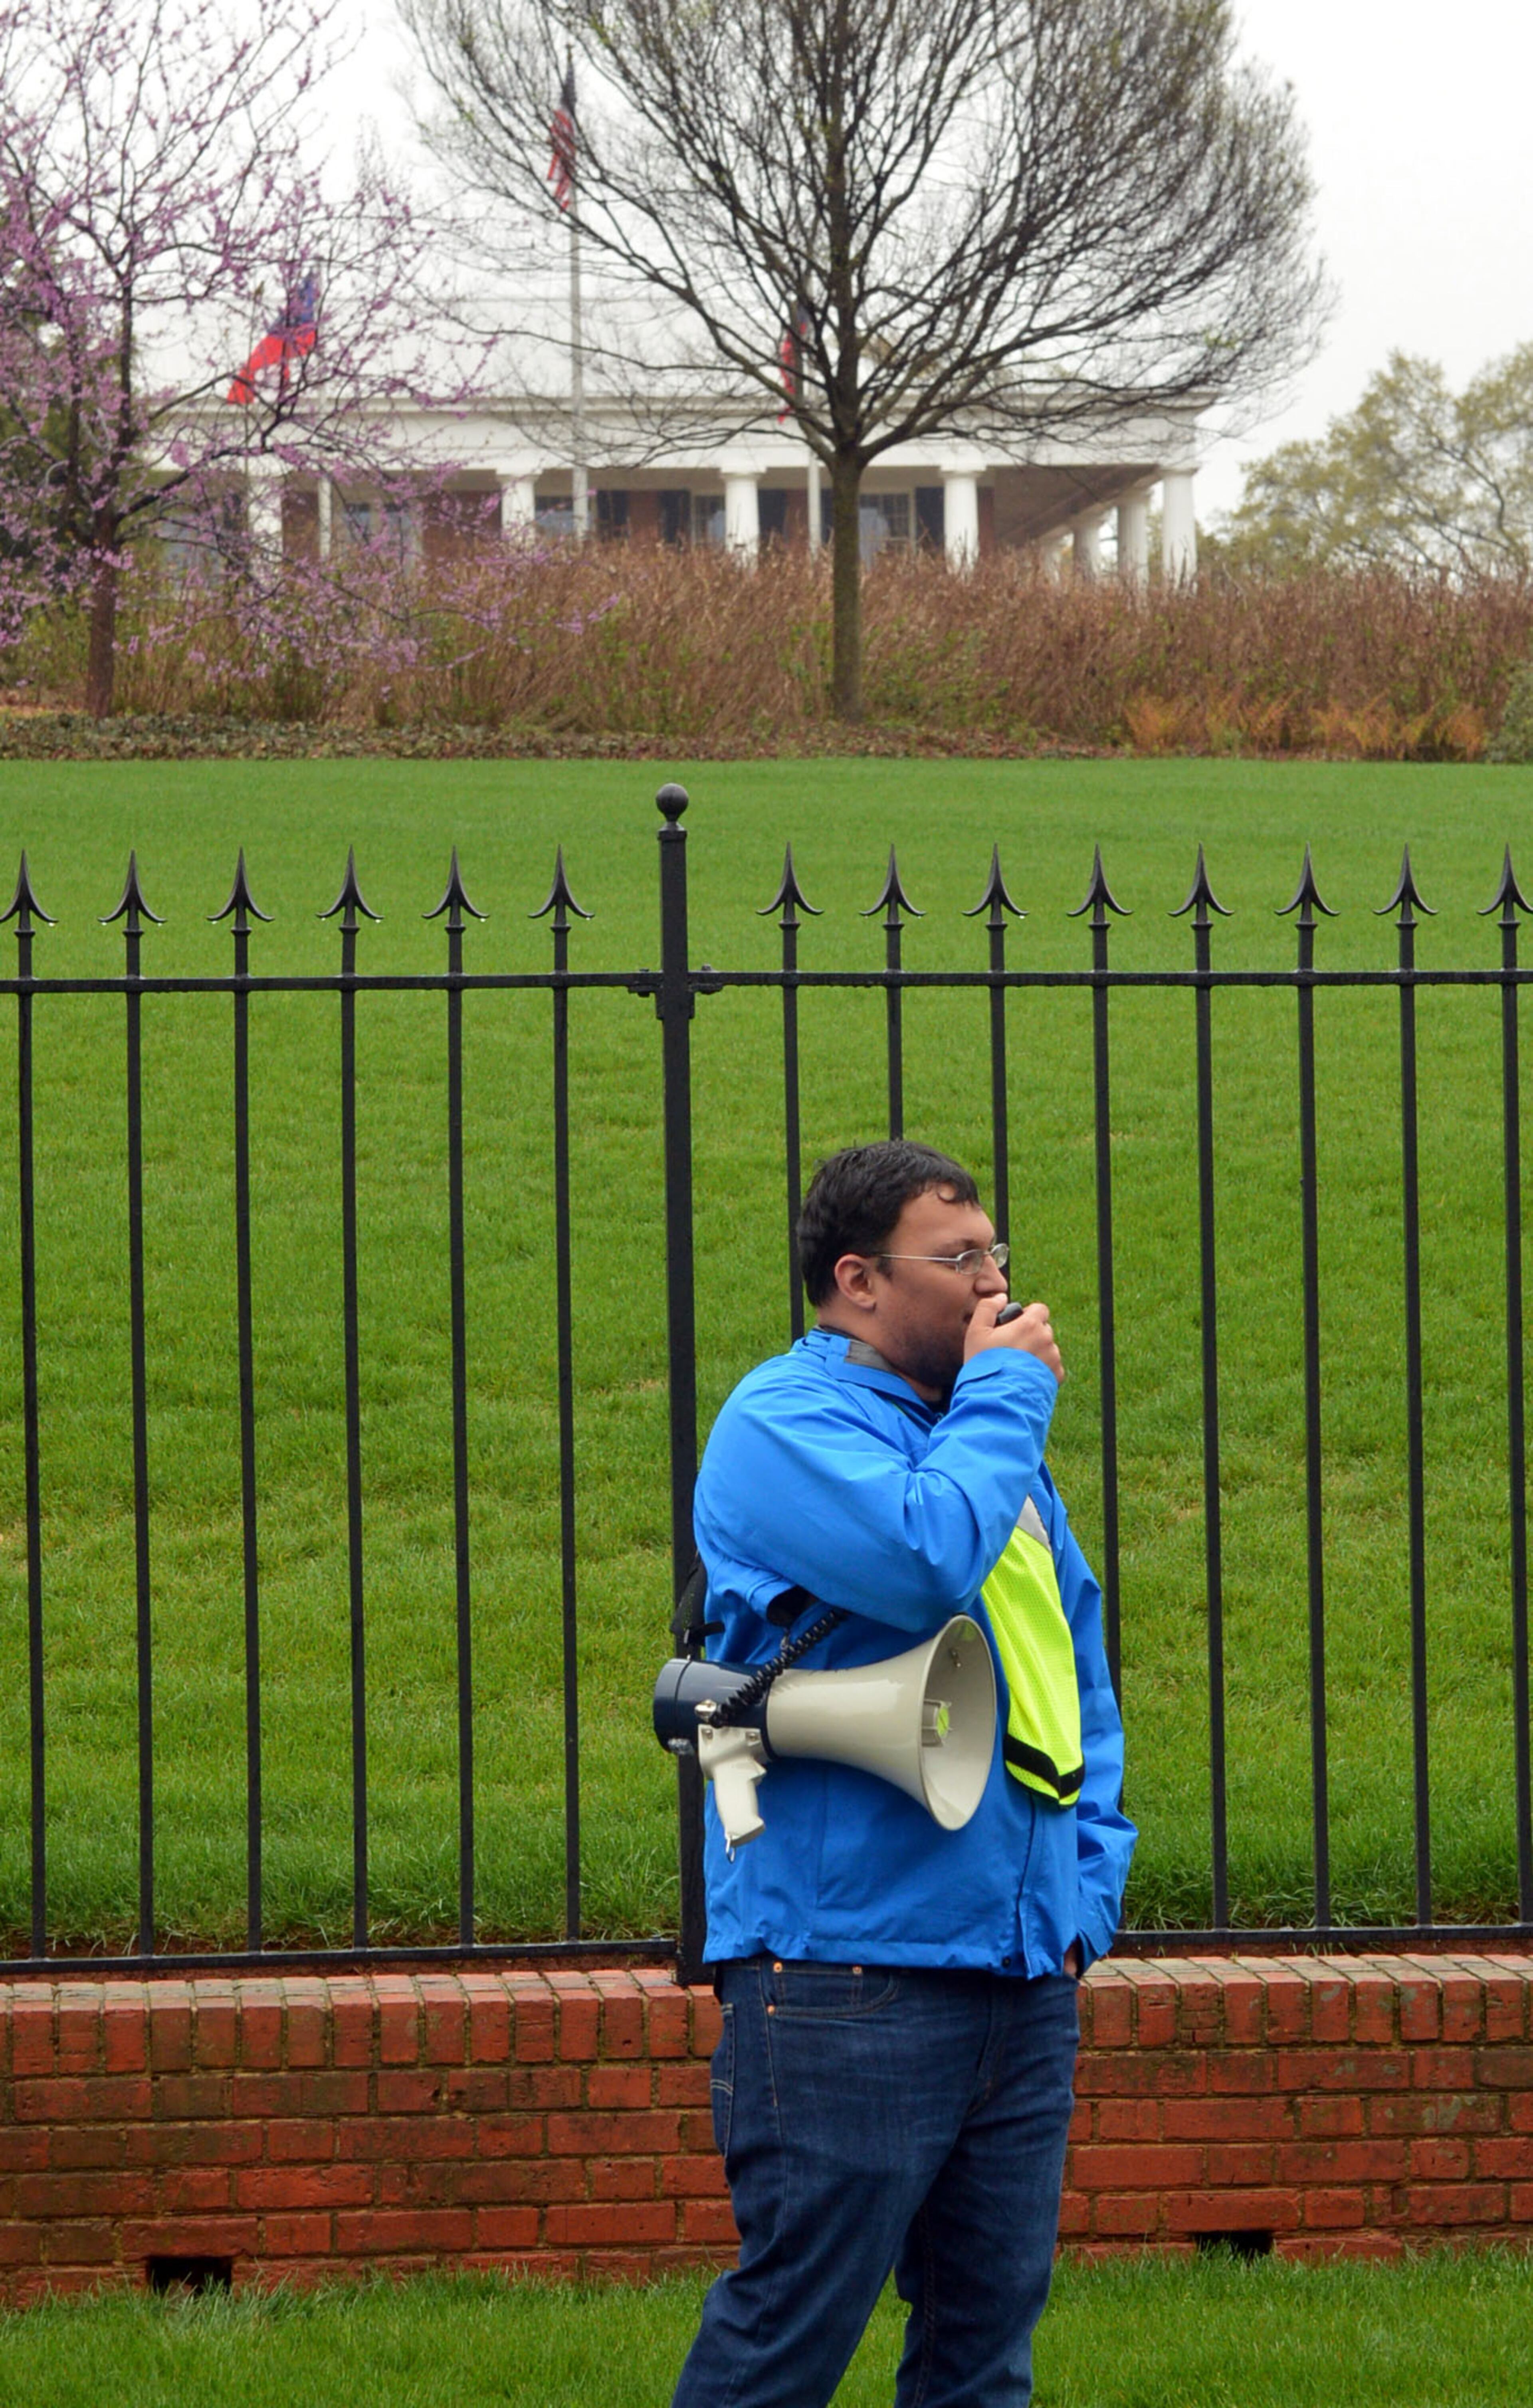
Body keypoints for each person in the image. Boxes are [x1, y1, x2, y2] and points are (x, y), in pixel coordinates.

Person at [671, 1140, 1135, 2408]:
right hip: (847, 1975)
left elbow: (1075, 1670)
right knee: (786, 2346)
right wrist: (1004, 1400)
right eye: (961, 1258)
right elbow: (921, 1558)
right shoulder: (782, 1421)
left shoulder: (988, 1444)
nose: (996, 1285)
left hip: (1022, 1970)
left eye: (998, 1254)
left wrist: (1088, 1890)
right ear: (857, 1280)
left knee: (983, 2361)